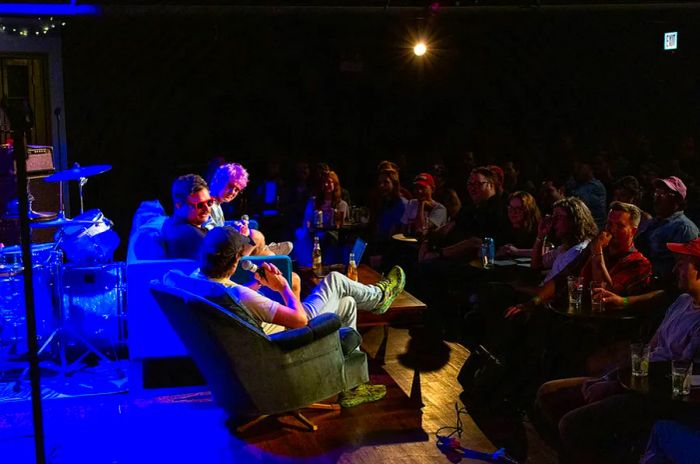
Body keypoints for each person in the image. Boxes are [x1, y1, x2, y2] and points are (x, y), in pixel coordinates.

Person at [185, 227, 407, 407]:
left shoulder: (197, 281)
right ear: (235, 261)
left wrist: (259, 283)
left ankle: (352, 385)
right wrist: (283, 288)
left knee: (347, 303)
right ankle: (379, 297)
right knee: (335, 280)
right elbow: (299, 319)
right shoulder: (239, 295)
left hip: (252, 346)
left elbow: (236, 299)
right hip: (285, 341)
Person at [538, 238, 700, 463]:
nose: (674, 269)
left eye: (682, 264)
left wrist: (615, 385)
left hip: (655, 398)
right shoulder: (682, 301)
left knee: (571, 423)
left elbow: (677, 378)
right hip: (634, 381)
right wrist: (608, 377)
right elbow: (649, 350)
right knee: (548, 393)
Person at [506, 201, 651, 317]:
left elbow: (602, 292)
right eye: (609, 224)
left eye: (619, 226)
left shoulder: (638, 263)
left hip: (601, 326)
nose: (611, 230)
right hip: (571, 315)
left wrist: (597, 252)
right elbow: (561, 279)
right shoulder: (593, 250)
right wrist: (534, 302)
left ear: (633, 231)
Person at [208, 162, 292, 256]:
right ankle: (265, 251)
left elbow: (219, 226)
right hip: (218, 254)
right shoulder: (207, 203)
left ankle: (264, 251)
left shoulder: (217, 204)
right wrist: (235, 231)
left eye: (237, 190)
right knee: (256, 236)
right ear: (219, 180)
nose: (233, 192)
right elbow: (211, 236)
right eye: (230, 186)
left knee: (253, 231)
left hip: (224, 246)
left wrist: (235, 226)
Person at [635, 176, 699, 284]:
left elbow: (683, 271)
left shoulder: (684, 228)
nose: (657, 197)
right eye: (656, 192)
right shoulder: (653, 222)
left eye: (663, 193)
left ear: (677, 199)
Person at [161, 174, 212, 260]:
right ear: (179, 205)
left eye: (209, 202)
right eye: (200, 205)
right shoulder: (192, 236)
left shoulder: (172, 223)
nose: (207, 208)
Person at [498, 191, 541, 258]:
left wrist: (517, 252)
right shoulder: (505, 227)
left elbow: (546, 252)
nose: (513, 212)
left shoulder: (539, 228)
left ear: (528, 210)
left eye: (518, 209)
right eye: (511, 208)